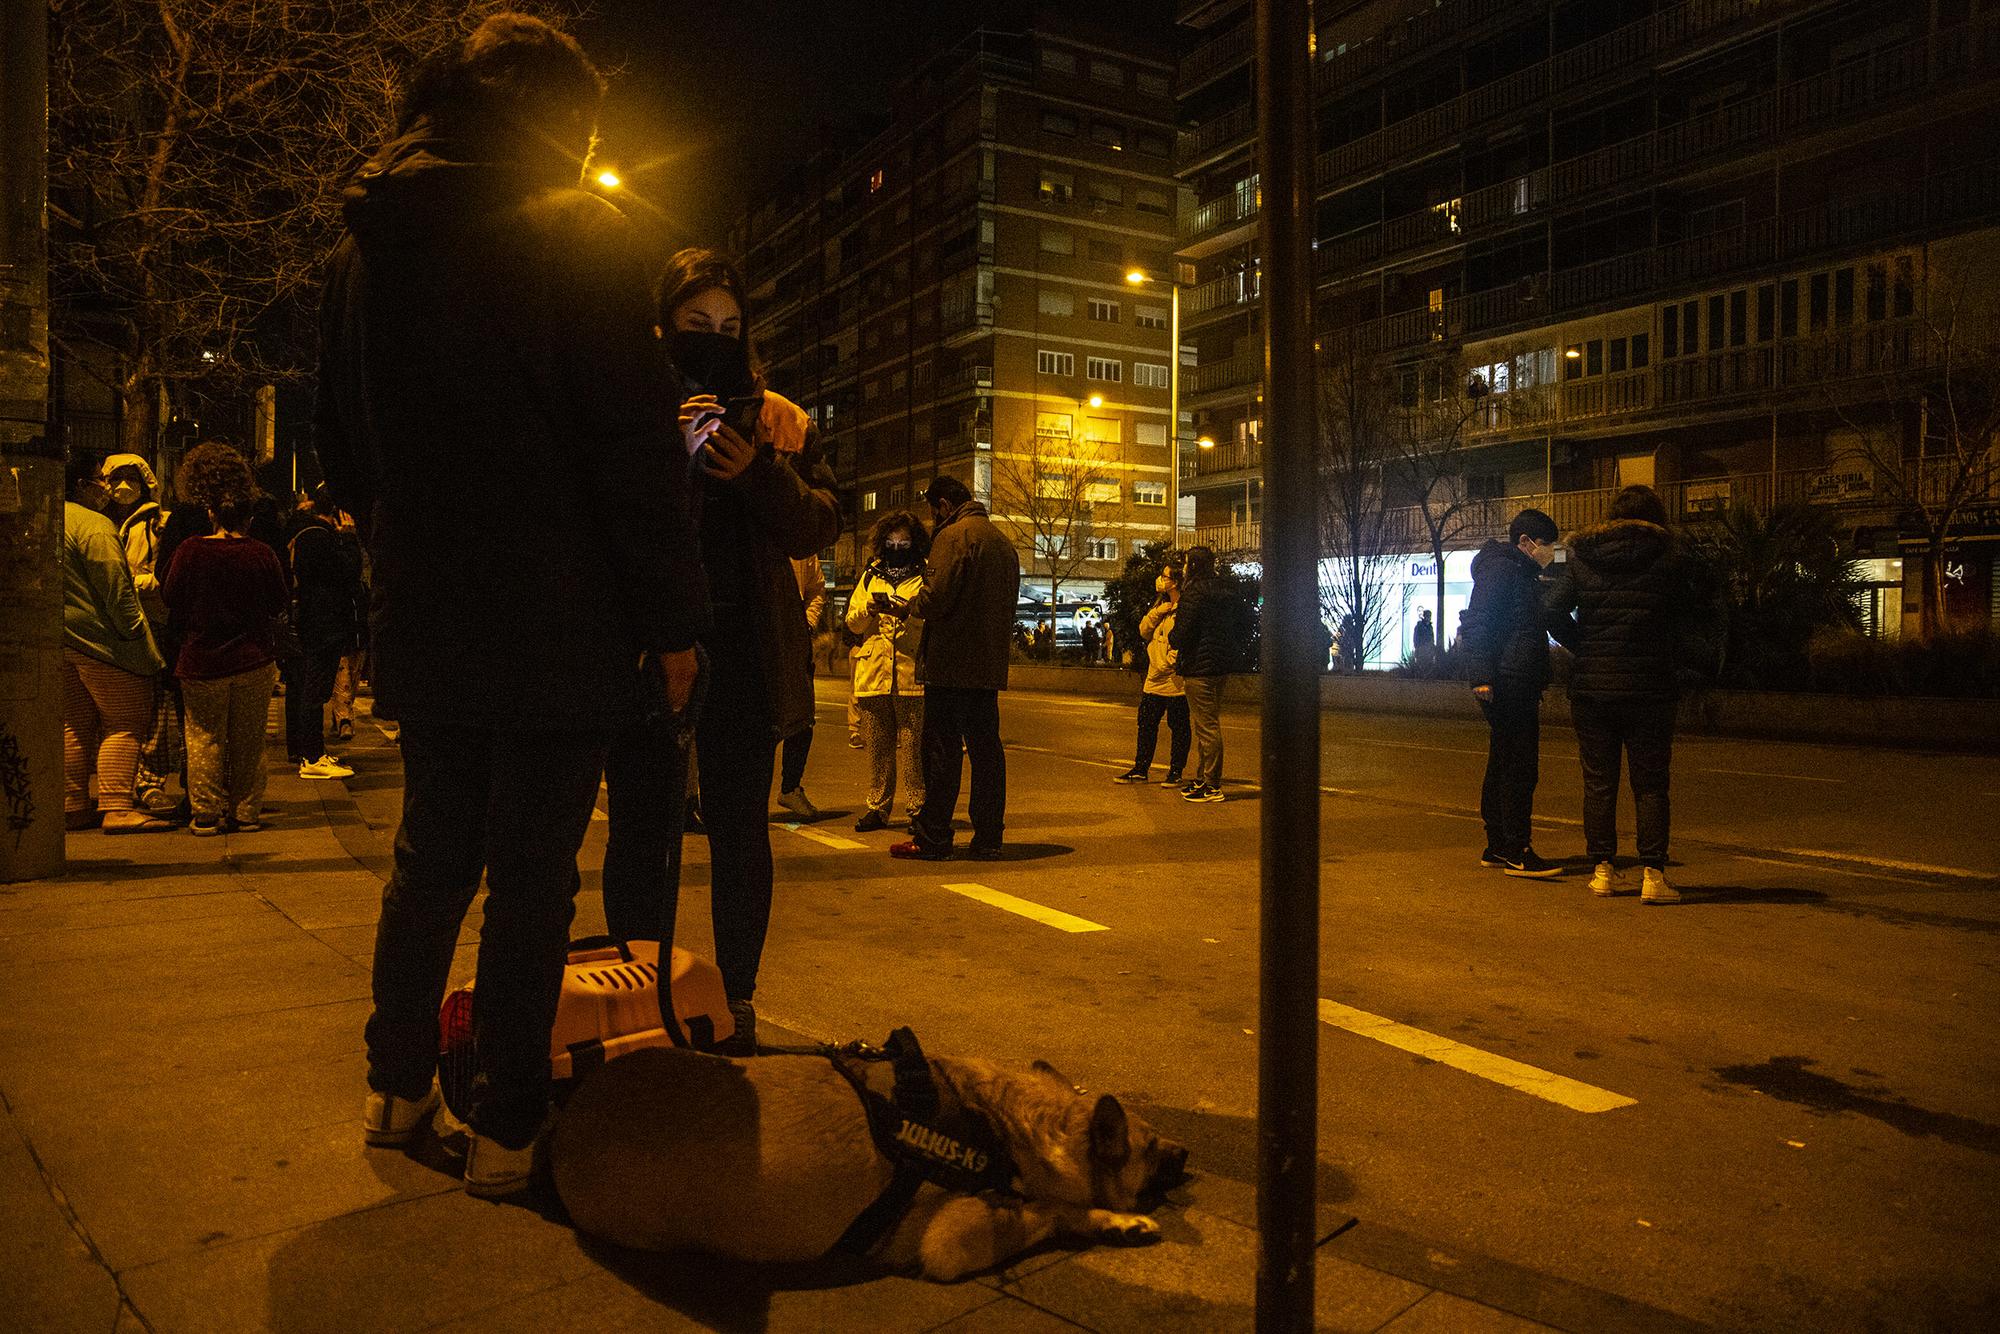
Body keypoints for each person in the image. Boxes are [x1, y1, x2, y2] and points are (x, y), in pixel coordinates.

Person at [316, 14, 708, 1196]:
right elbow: (631, 452)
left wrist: (410, 536)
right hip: (562, 612)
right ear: (554, 117)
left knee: (432, 848)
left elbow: (342, 441)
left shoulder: (367, 241)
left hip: (428, 598)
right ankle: (508, 1126)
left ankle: (395, 1090)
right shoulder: (581, 234)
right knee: (534, 870)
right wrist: (673, 620)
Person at [601, 246, 838, 1054]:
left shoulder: (775, 415)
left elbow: (818, 522)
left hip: (744, 650)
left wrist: (756, 474)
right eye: (697, 323)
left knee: (741, 830)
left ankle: (738, 1000)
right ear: (664, 324)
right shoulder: (627, 399)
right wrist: (663, 452)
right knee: (643, 827)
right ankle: (638, 997)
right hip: (651, 644)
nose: (714, 338)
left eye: (730, 326)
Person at [1545, 484, 1699, 905]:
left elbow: (1551, 609)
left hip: (1594, 688)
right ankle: (1653, 875)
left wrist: (1584, 645)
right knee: (1651, 785)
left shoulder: (1584, 557)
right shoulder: (1670, 558)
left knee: (1599, 783)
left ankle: (1603, 872)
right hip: (1651, 686)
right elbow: (1690, 617)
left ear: (1612, 517)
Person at [161, 443, 290, 836]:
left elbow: (170, 593)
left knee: (202, 737)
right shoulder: (262, 536)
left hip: (200, 653)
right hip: (252, 655)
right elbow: (279, 598)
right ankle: (246, 811)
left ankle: (204, 810)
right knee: (249, 741)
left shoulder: (187, 535)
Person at [891, 475, 1019, 861]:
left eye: (934, 513)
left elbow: (936, 598)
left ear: (944, 506)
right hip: (987, 665)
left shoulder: (953, 537)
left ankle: (934, 838)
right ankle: (988, 837)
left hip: (950, 664)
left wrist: (909, 605)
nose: (933, 522)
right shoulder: (1003, 542)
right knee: (986, 751)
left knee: (942, 750)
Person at [61, 452, 170, 834]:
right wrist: (139, 638)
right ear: (81, 486)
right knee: (124, 721)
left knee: (73, 724)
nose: (107, 488)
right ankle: (117, 805)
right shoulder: (94, 526)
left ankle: (72, 803)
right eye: (100, 479)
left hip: (64, 642)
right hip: (105, 643)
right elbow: (117, 592)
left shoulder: (50, 518)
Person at [1460, 508, 1562, 879]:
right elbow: (1478, 621)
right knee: (1519, 766)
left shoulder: (1520, 573)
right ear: (1525, 542)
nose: (1549, 550)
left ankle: (1498, 846)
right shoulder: (1503, 571)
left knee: (1503, 761)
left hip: (1512, 678)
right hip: (1508, 679)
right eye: (1546, 544)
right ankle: (1517, 850)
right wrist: (1481, 675)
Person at [98, 453, 182, 814]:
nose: (122, 487)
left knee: (154, 705)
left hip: (149, 621)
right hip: (111, 624)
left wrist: (147, 581)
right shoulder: (102, 522)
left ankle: (148, 780)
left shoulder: (157, 523)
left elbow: (163, 568)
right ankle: (120, 783)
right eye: (115, 479)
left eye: (130, 478)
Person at [846, 510, 928, 833]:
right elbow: (852, 622)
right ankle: (877, 807)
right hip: (874, 676)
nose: (897, 545)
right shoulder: (871, 576)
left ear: (914, 541)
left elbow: (928, 618)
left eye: (903, 540)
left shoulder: (923, 576)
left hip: (908, 674)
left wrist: (903, 612)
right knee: (879, 746)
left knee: (912, 747)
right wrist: (869, 608)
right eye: (891, 540)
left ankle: (918, 809)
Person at [285, 485, 363, 780]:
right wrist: (349, 539)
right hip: (323, 622)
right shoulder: (320, 537)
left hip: (314, 620)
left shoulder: (306, 534)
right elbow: (347, 572)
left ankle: (310, 751)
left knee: (310, 688)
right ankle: (313, 756)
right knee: (315, 690)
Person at [1168, 546, 1245, 804]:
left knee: (1207, 727)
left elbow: (1182, 632)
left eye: (1188, 563)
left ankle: (1212, 784)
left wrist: (1172, 637)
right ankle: (1203, 778)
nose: (1185, 567)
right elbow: (1239, 626)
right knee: (1206, 724)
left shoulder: (1194, 592)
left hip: (1199, 666)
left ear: (1194, 566)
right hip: (1219, 665)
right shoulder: (1224, 591)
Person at [1113, 569, 1189, 785]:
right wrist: (1159, 611)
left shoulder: (1185, 608)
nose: (1161, 580)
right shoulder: (1162, 606)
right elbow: (1144, 630)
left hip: (1175, 681)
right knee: (1146, 724)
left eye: (1165, 576)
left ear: (1175, 581)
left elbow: (1183, 641)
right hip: (1153, 679)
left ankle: (1175, 772)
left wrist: (1168, 663)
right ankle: (1140, 768)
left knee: (1179, 726)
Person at [774, 553, 825, 820]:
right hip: (760, 638)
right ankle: (748, 797)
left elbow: (817, 590)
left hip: (795, 641)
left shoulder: (802, 548)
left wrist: (806, 623)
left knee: (802, 719)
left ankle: (790, 787)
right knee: (760, 723)